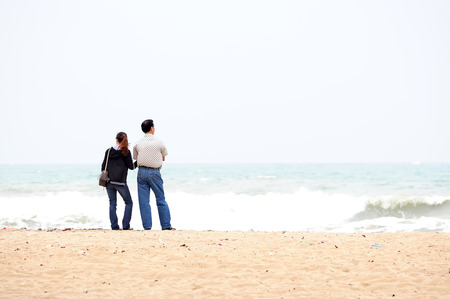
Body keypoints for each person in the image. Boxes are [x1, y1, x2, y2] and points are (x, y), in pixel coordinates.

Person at [133, 119, 174, 230]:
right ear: (151, 128)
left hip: (141, 172)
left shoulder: (137, 143)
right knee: (160, 199)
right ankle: (166, 226)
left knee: (144, 202)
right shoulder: (159, 142)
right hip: (154, 172)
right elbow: (164, 157)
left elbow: (135, 158)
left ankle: (147, 227)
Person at [101, 132, 135, 230]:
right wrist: (138, 162)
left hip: (109, 182)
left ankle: (114, 226)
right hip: (121, 183)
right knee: (129, 203)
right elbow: (131, 167)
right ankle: (126, 225)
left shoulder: (108, 151)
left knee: (112, 204)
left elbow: (103, 166)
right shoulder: (126, 152)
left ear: (116, 140)